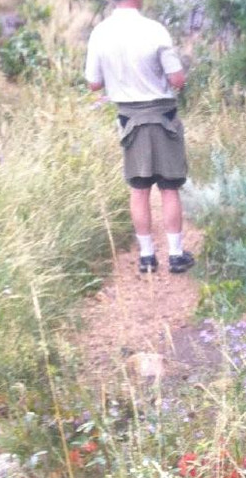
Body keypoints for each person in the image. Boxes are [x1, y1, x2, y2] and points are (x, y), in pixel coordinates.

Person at [85, 0, 194, 274]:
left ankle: (147, 257)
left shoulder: (100, 33)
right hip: (163, 115)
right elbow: (177, 80)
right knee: (169, 187)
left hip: (129, 118)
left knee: (139, 189)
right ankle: (176, 255)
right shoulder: (155, 30)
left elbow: (94, 83)